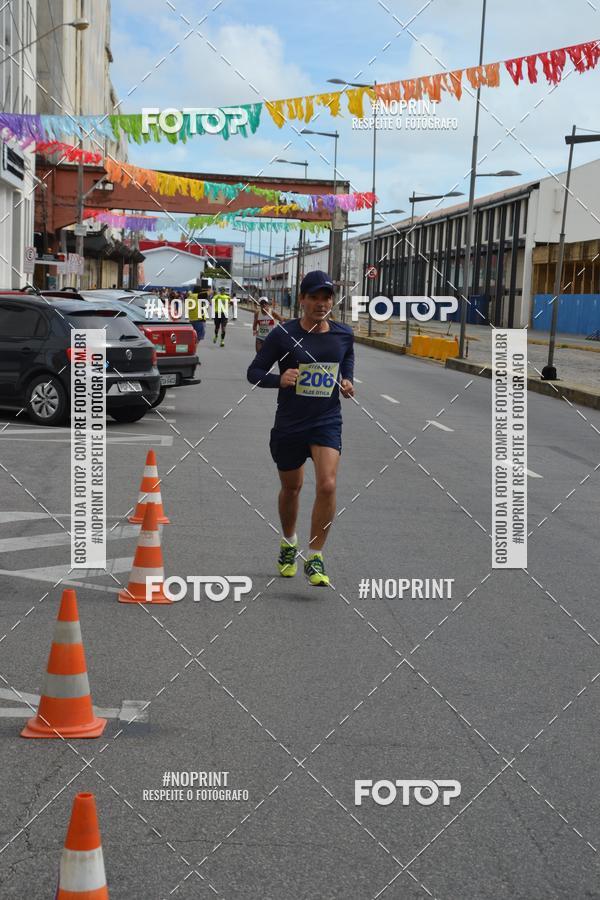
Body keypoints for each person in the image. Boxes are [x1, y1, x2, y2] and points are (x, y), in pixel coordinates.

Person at [247, 271, 354, 587]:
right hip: (291, 423)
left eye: (327, 298)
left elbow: (346, 372)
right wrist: (278, 379)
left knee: (328, 485)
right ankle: (288, 542)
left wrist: (347, 385)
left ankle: (315, 554)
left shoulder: (343, 335)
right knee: (292, 488)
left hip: (326, 420)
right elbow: (254, 372)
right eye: (315, 298)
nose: (322, 304)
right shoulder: (283, 335)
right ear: (302, 300)